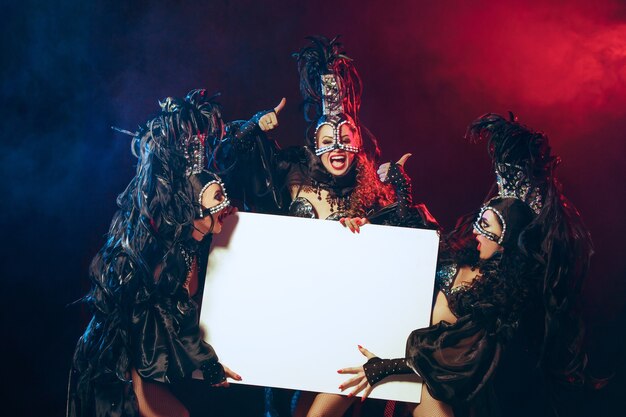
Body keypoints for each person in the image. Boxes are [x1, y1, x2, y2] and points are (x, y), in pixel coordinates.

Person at [212, 36, 438, 417]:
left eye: (345, 139)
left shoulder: (372, 192)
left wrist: (378, 219)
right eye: (327, 138)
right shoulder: (289, 174)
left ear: (358, 144)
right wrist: (253, 128)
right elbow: (229, 165)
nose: (337, 147)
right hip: (294, 321)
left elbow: (413, 254)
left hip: (345, 329)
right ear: (313, 143)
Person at [337, 113, 593, 417]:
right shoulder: (461, 256)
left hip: (441, 387)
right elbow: (416, 241)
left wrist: (390, 367)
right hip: (398, 362)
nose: (476, 231)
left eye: (487, 227)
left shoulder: (501, 298)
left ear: (507, 241)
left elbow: (457, 357)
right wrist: (393, 198)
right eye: (479, 220)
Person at [67, 89, 242, 417]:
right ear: (193, 207)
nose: (226, 205)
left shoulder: (194, 249)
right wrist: (205, 361)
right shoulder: (161, 255)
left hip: (145, 368)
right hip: (120, 371)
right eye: (218, 197)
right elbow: (140, 323)